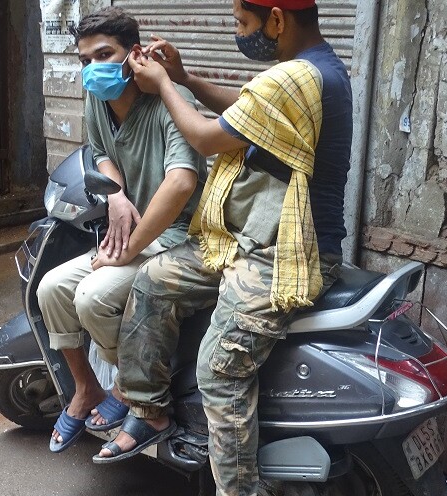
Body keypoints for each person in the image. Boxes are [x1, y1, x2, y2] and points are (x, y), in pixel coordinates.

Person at [93, 1, 353, 494]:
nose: (237, 33)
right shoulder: (313, 69)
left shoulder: (296, 77)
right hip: (249, 236)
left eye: (241, 23)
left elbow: (207, 137)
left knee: (220, 369)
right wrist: (186, 78)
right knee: (153, 279)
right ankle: (149, 410)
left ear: (276, 19)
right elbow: (245, 110)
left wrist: (164, 85)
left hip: (287, 251)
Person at [35, 7, 206, 453]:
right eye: (85, 59)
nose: (93, 67)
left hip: (178, 237)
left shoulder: (168, 106)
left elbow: (182, 181)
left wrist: (130, 248)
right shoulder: (97, 100)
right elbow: (98, 149)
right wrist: (115, 194)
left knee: (94, 297)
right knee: (51, 288)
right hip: (134, 235)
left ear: (133, 54)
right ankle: (86, 388)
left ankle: (133, 392)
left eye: (104, 54)